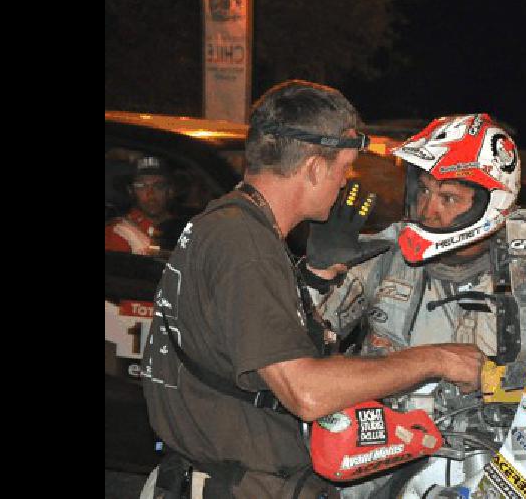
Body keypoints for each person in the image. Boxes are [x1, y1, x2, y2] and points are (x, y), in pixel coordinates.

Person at [138, 80, 485, 499]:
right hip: (235, 484)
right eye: (344, 169)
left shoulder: (226, 226)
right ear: (315, 168)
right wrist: (436, 359)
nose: (344, 184)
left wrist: (316, 279)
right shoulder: (245, 245)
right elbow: (306, 391)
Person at [302, 113, 521, 497]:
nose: (428, 209)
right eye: (423, 191)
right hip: (377, 465)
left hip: (498, 467)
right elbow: (300, 343)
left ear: (491, 203)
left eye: (448, 197)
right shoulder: (387, 252)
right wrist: (317, 275)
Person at [106, 155, 179, 255]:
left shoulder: (187, 228)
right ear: (130, 191)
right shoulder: (119, 231)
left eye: (159, 186)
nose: (150, 193)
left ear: (170, 191)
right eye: (141, 186)